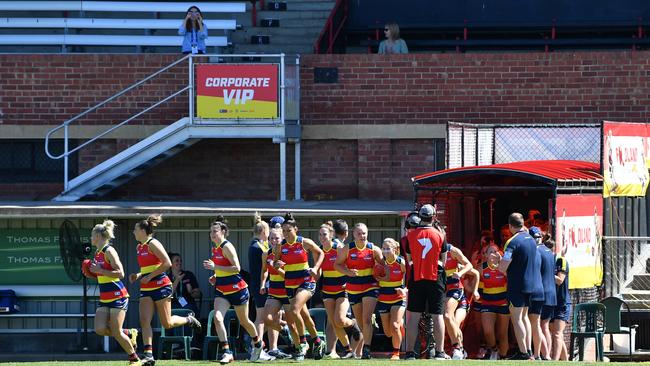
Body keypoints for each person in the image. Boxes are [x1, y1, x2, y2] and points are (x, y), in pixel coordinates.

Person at [129, 215, 201, 366]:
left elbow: (167, 263)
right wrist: (139, 275)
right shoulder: (139, 247)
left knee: (166, 323)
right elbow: (149, 268)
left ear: (143, 230)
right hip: (146, 288)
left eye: (135, 229)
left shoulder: (153, 243)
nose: (133, 232)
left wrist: (149, 278)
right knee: (144, 321)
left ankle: (189, 319)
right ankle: (148, 355)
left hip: (161, 285)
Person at [203, 216, 274, 364]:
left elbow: (237, 268)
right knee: (217, 318)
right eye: (210, 232)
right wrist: (216, 276)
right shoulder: (214, 248)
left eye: (215, 231)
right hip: (222, 289)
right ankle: (227, 352)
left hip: (237, 289)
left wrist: (215, 268)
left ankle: (258, 343)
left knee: (245, 322)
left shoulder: (227, 246)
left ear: (223, 232)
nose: (212, 234)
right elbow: (223, 268)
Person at [273, 213, 326, 361]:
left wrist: (315, 268)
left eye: (288, 230)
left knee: (294, 309)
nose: (286, 234)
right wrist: (278, 265)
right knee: (304, 316)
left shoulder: (304, 242)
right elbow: (276, 263)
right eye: (283, 231)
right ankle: (317, 341)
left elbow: (320, 253)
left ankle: (303, 343)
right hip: (290, 284)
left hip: (306, 282)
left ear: (296, 229)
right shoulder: (280, 246)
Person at [86, 220, 139, 365]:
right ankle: (129, 333)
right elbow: (102, 274)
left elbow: (120, 273)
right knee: (100, 328)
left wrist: (100, 271)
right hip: (105, 297)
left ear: (97, 235)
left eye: (92, 235)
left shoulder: (109, 250)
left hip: (118, 295)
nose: (90, 238)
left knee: (116, 332)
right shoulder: (97, 252)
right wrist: (92, 273)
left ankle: (134, 358)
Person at [404, 204, 449, 360]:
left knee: (414, 316)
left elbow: (409, 260)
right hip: (435, 276)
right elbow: (444, 259)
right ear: (434, 216)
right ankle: (440, 352)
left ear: (420, 216)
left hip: (417, 276)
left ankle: (410, 352)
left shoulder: (410, 236)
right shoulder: (440, 235)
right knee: (438, 315)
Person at [335, 222, 383, 359]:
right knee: (361, 323)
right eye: (359, 233)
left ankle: (366, 349)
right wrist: (348, 272)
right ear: (353, 235)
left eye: (364, 233)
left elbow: (383, 266)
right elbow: (337, 265)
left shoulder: (374, 249)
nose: (362, 236)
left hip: (370, 286)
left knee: (366, 319)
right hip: (353, 288)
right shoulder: (347, 249)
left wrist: (382, 274)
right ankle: (367, 332)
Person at [494, 212, 539, 360]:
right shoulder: (531, 240)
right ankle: (528, 351)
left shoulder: (512, 242)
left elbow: (503, 267)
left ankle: (523, 353)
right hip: (531, 284)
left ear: (510, 226)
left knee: (517, 318)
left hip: (517, 285)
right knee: (524, 317)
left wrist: (498, 262)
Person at [318, 221, 360, 359]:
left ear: (331, 235)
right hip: (327, 289)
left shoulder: (339, 247)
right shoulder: (319, 250)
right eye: (320, 235)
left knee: (340, 320)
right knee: (333, 322)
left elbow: (349, 265)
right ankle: (347, 350)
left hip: (343, 288)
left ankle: (354, 324)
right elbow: (318, 271)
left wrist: (350, 274)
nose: (322, 237)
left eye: (324, 234)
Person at [376, 237, 407, 361]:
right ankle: (400, 326)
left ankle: (396, 353)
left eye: (388, 248)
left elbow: (410, 279)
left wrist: (404, 290)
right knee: (388, 332)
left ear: (395, 249)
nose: (385, 251)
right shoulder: (379, 264)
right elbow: (375, 278)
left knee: (394, 325)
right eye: (383, 248)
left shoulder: (401, 262)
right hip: (383, 299)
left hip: (398, 298)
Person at [443, 243, 476, 360]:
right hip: (442, 290)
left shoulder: (452, 251)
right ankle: (459, 350)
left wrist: (475, 291)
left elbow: (474, 270)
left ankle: (458, 348)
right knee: (450, 323)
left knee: (449, 318)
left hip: (457, 291)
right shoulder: (430, 251)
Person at [528, 226, 556, 360]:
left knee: (537, 325)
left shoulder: (536, 252)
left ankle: (542, 355)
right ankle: (547, 356)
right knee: (545, 326)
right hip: (552, 293)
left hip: (541, 292)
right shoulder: (549, 251)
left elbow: (534, 272)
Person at [479, 244, 509, 360]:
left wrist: (503, 267)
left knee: (502, 334)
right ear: (485, 255)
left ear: (500, 254)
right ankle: (494, 349)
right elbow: (474, 283)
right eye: (490, 252)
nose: (493, 254)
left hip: (503, 303)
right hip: (487, 303)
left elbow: (513, 281)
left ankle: (503, 357)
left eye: (495, 252)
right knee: (487, 331)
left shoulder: (504, 267)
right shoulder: (481, 268)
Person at [248, 213, 271, 356]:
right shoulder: (257, 247)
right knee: (261, 318)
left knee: (264, 318)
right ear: (263, 232)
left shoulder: (257, 245)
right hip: (259, 286)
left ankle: (256, 346)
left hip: (258, 285)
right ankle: (256, 347)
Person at [547, 238, 571, 361]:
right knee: (554, 333)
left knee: (557, 333)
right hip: (551, 302)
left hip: (562, 302)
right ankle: (566, 361)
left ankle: (554, 361)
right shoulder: (545, 262)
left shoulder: (561, 261)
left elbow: (560, 280)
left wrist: (546, 273)